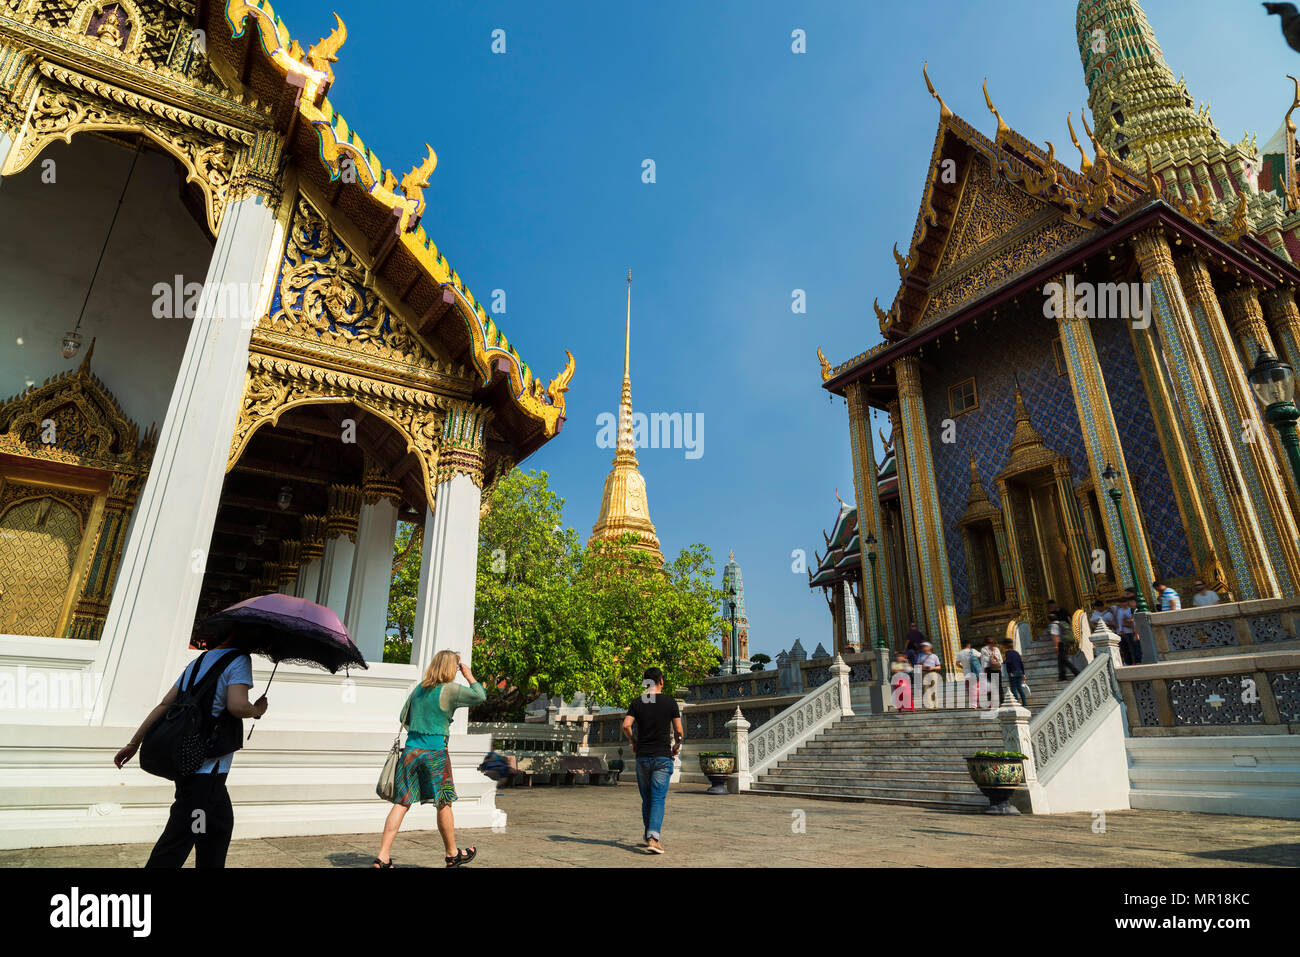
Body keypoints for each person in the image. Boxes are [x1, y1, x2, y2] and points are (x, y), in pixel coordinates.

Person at [114, 634, 267, 868]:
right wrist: (257, 709)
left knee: (215, 828)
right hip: (207, 772)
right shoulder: (239, 659)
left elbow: (165, 704)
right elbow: (237, 706)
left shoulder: (199, 661)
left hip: (190, 762)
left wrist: (135, 742)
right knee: (182, 835)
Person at [374, 649, 486, 868]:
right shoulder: (451, 689)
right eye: (455, 666)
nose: (456, 670)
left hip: (411, 752)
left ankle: (383, 856)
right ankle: (452, 854)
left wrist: (421, 730)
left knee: (401, 803)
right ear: (450, 667)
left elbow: (402, 717)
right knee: (443, 803)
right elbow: (480, 695)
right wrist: (469, 675)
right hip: (435, 755)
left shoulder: (419, 690)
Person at [622, 666, 683, 855]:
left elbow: (626, 725)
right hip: (662, 757)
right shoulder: (670, 702)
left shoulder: (637, 702)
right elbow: (679, 731)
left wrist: (634, 742)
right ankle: (653, 838)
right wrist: (676, 744)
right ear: (661, 681)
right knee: (657, 798)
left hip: (643, 757)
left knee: (647, 798)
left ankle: (649, 832)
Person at [1046, 599, 1079, 681]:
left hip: (1061, 644)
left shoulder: (1054, 625)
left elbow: (1056, 637)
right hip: (1066, 642)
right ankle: (1062, 676)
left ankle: (1076, 672)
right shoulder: (1060, 623)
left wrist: (1056, 647)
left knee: (1064, 660)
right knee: (1061, 661)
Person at [1002, 638, 1028, 707]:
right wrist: (1023, 673)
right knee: (1019, 688)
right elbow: (1021, 663)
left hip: (1013, 672)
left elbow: (1009, 661)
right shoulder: (1016, 653)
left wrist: (1002, 662)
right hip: (1019, 672)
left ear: (1005, 645)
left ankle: (1016, 703)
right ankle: (1024, 703)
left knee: (1013, 688)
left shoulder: (1008, 652)